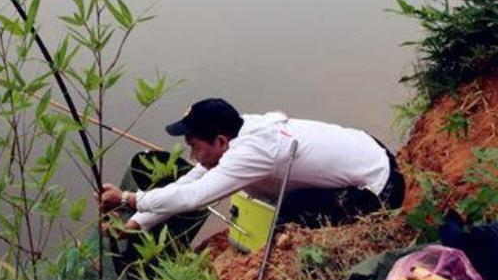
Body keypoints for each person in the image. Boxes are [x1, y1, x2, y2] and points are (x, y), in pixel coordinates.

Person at [99, 98, 405, 233]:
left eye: (195, 146)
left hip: (380, 187)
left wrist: (128, 198)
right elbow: (188, 185)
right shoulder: (240, 128)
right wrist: (137, 221)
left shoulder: (252, 152)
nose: (192, 155)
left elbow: (195, 198)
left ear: (220, 141)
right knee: (285, 205)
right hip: (371, 148)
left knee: (288, 221)